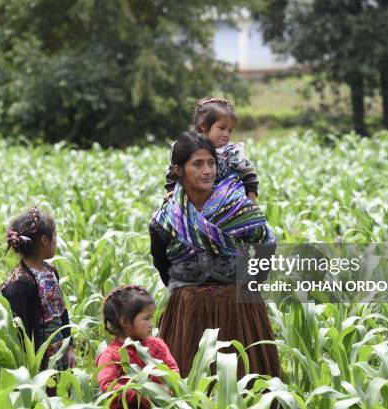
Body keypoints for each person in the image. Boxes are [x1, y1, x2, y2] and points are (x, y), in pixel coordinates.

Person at [151, 131, 281, 378]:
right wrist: (186, 288)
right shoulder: (167, 218)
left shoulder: (238, 209)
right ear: (178, 170)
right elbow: (161, 262)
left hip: (238, 308)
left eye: (211, 163)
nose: (207, 170)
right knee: (191, 381)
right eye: (197, 164)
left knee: (244, 380)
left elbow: (265, 243)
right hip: (187, 310)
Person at [0, 207, 75, 371]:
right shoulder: (19, 283)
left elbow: (62, 312)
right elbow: (22, 333)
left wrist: (69, 346)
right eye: (55, 235)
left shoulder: (50, 270)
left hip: (60, 349)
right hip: (40, 358)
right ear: (44, 240)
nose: (57, 240)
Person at [96, 285, 179, 408]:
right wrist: (141, 394)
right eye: (146, 318)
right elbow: (109, 386)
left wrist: (170, 386)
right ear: (124, 322)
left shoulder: (157, 345)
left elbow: (172, 369)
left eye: (151, 318)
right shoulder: (111, 356)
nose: (151, 324)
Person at [165, 97, 259, 202]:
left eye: (230, 131)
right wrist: (171, 192)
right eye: (222, 128)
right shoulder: (186, 148)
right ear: (203, 126)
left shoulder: (233, 152)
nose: (226, 134)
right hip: (193, 204)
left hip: (227, 206)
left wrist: (251, 201)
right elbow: (172, 174)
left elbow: (249, 176)